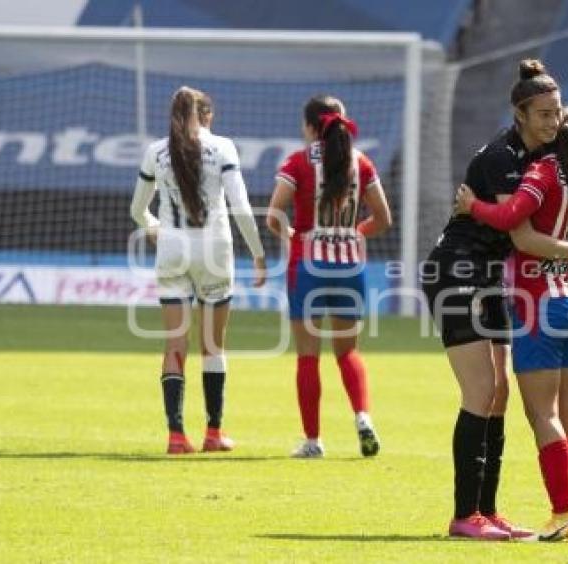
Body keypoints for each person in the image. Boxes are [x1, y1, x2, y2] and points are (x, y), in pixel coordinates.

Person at [421, 59, 568, 540]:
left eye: (557, 113)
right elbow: (520, 234)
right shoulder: (502, 157)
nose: (554, 122)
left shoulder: (540, 160)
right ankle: (463, 516)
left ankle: (488, 512)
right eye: (543, 114)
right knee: (479, 392)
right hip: (454, 272)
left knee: (499, 393)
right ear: (520, 114)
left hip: (489, 277)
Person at [454, 102, 568, 542]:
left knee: (541, 413)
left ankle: (564, 513)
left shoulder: (543, 173)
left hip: (539, 303)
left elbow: (512, 222)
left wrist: (474, 206)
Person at [130, 86, 267, 455]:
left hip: (173, 249)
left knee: (175, 341)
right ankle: (213, 433)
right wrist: (257, 254)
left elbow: (137, 210)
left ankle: (176, 436)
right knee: (213, 345)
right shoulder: (222, 148)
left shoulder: (155, 151)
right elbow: (240, 207)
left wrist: (156, 228)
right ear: (207, 115)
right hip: (214, 251)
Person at [266, 94, 392, 459]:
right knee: (348, 351)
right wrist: (354, 233)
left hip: (308, 265)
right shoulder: (361, 162)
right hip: (350, 266)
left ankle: (313, 441)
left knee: (308, 356)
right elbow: (383, 218)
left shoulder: (298, 162)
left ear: (309, 126)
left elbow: (274, 214)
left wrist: (292, 235)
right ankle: (363, 418)